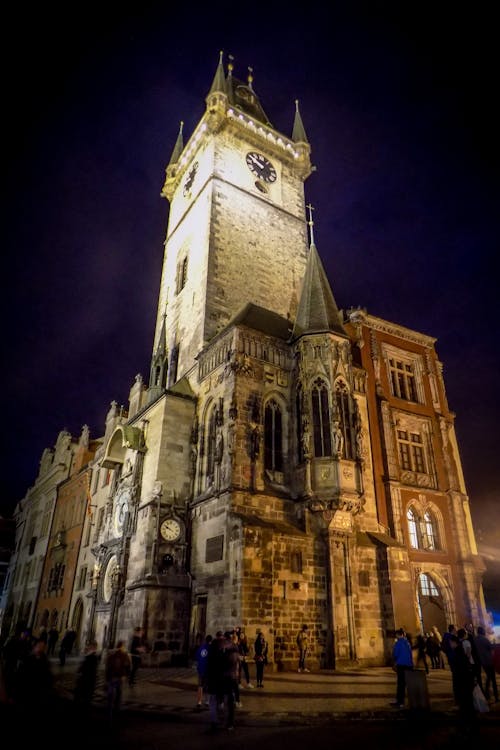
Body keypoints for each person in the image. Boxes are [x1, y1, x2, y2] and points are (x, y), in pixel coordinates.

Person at [105, 640, 131, 726]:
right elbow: (128, 666)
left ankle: (109, 715)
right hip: (119, 678)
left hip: (111, 678)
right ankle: (116, 712)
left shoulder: (112, 655)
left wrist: (107, 679)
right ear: (122, 646)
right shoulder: (125, 655)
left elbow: (108, 667)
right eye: (124, 646)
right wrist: (125, 675)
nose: (125, 647)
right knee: (117, 696)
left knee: (110, 697)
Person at [206, 630, 226, 732]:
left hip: (213, 679)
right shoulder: (225, 649)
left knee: (213, 701)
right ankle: (221, 720)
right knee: (221, 701)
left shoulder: (212, 649)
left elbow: (208, 665)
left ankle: (214, 722)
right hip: (222, 680)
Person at [74, 640, 100, 716]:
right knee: (81, 700)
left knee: (85, 702)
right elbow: (82, 667)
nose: (88, 647)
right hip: (83, 682)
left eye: (91, 647)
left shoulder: (93, 658)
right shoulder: (87, 656)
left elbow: (90, 671)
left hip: (87, 683)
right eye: (89, 646)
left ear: (94, 648)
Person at [474, 626, 498, 702]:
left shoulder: (475, 640)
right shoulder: (485, 639)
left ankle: (487, 693)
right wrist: (494, 643)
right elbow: (491, 647)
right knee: (493, 679)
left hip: (482, 662)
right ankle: (496, 696)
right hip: (489, 661)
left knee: (489, 677)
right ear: (482, 632)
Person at [391, 628, 413, 708]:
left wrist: (394, 663)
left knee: (401, 684)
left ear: (398, 635)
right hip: (408, 665)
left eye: (396, 634)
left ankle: (400, 702)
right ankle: (410, 701)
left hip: (401, 665)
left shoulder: (398, 643)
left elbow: (395, 654)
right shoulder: (407, 643)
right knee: (407, 684)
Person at [195, 634, 212, 708]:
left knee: (200, 686)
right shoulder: (211, 648)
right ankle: (207, 701)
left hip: (200, 669)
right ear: (211, 641)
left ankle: (199, 702)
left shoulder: (201, 648)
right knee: (208, 686)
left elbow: (197, 657)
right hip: (208, 670)